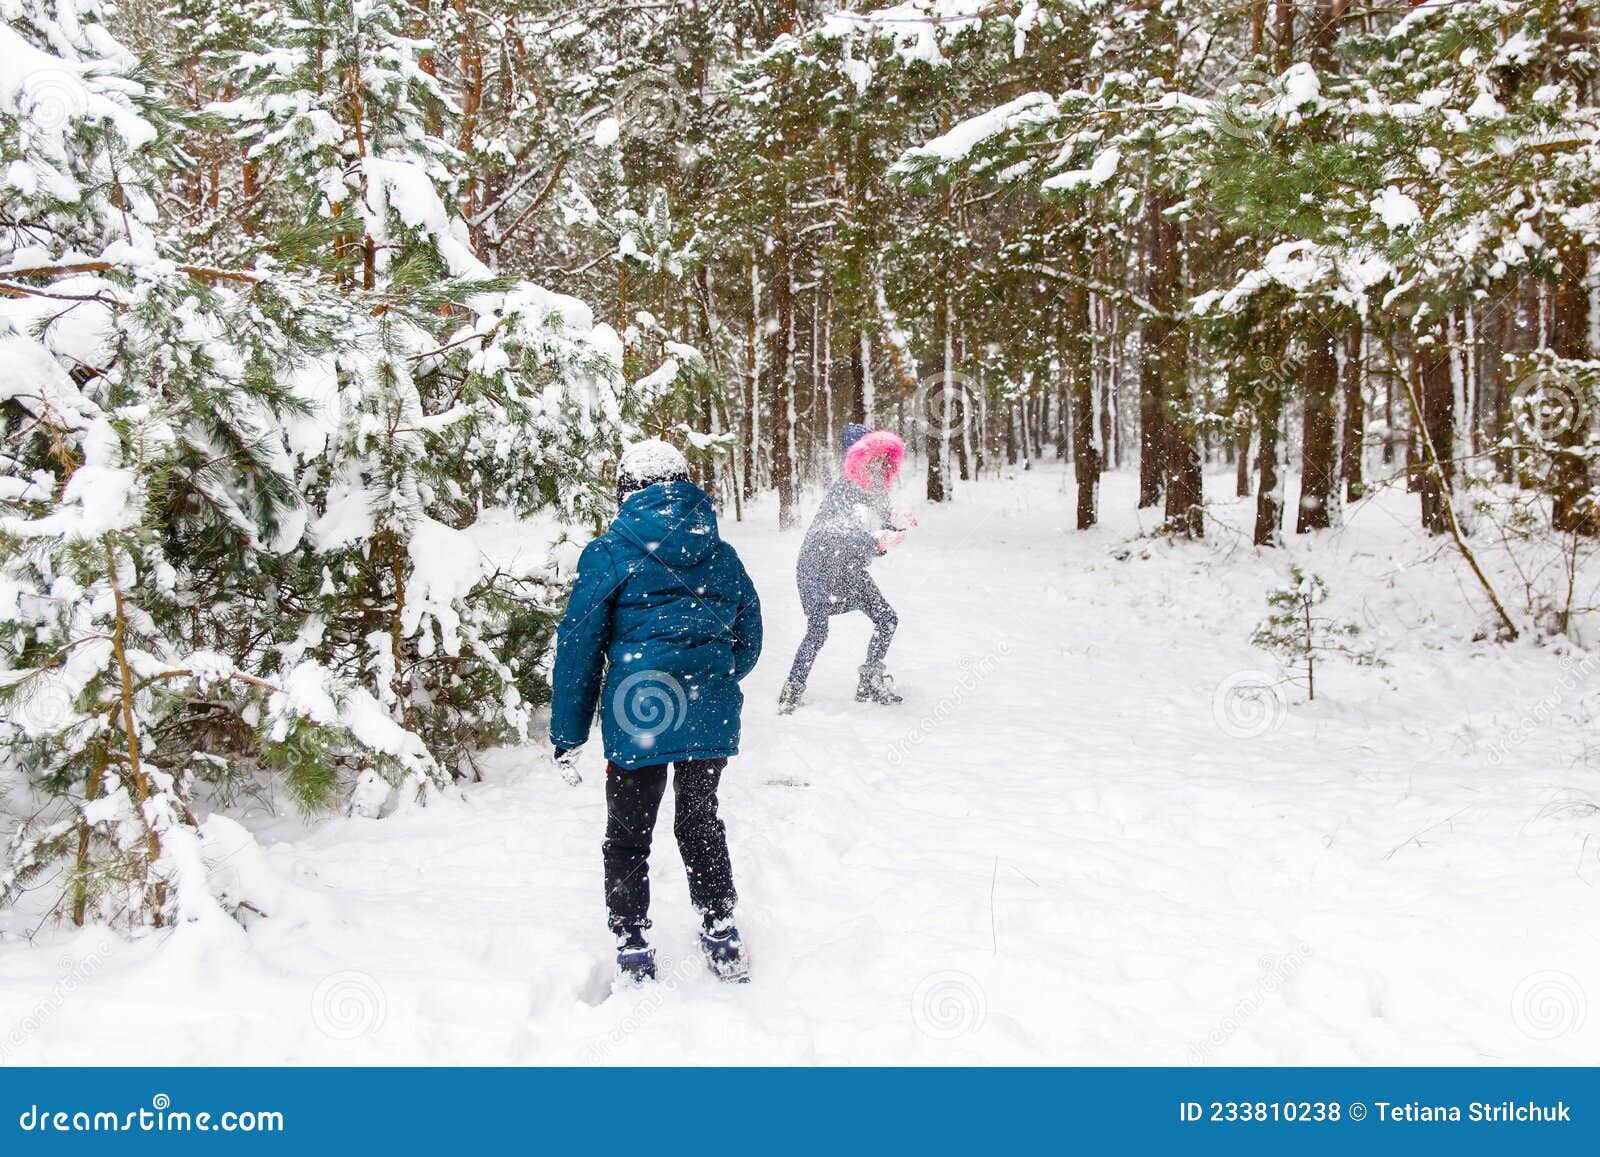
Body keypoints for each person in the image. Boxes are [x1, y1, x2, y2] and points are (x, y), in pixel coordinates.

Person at [549, 439, 763, 984]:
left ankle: (632, 943)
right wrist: (712, 681)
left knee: (627, 832)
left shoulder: (610, 552)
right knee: (700, 823)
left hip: (638, 713)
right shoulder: (722, 554)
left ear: (627, 491)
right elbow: (750, 636)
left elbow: (579, 648)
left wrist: (569, 732)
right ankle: (720, 928)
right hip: (707, 718)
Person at [778, 424, 909, 714]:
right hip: (818, 568)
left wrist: (896, 526)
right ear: (857, 456)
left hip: (847, 569)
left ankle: (870, 681)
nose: (877, 463)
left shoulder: (875, 489)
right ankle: (792, 689)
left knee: (887, 618)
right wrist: (875, 543)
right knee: (818, 630)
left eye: (880, 457)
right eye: (871, 456)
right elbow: (838, 534)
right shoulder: (844, 488)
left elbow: (878, 533)